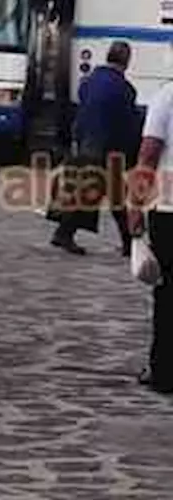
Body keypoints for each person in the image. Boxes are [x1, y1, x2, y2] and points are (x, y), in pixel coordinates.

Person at [51, 41, 139, 256]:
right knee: (109, 196)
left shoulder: (89, 82)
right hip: (108, 149)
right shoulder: (124, 89)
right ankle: (65, 234)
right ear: (127, 61)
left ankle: (66, 233)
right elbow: (127, 124)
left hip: (86, 144)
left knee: (94, 193)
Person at [132, 65, 173, 393]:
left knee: (168, 292)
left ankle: (164, 370)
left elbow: (148, 154)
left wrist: (135, 204)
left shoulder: (167, 96)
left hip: (169, 210)